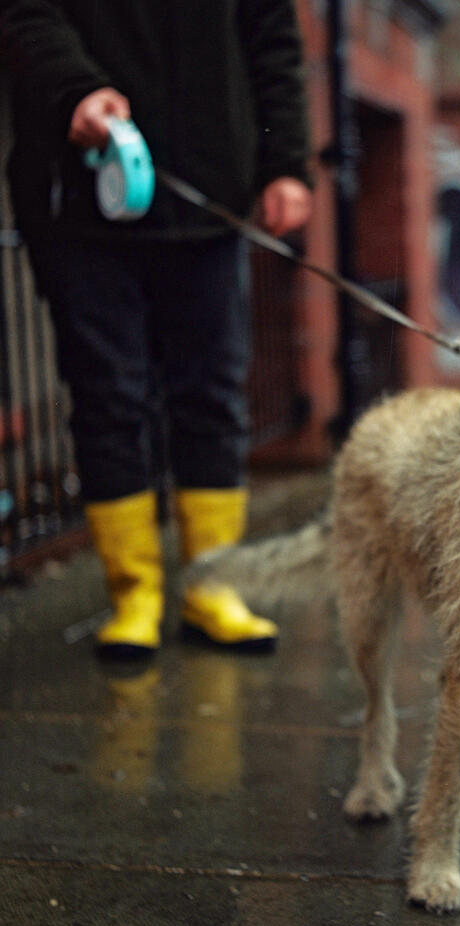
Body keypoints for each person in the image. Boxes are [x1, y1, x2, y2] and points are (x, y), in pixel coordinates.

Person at [1, 0, 313, 660]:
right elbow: (25, 13)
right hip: (79, 200)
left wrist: (284, 161)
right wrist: (74, 89)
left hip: (210, 197)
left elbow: (273, 43)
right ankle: (133, 594)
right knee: (108, 395)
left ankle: (211, 587)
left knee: (214, 395)